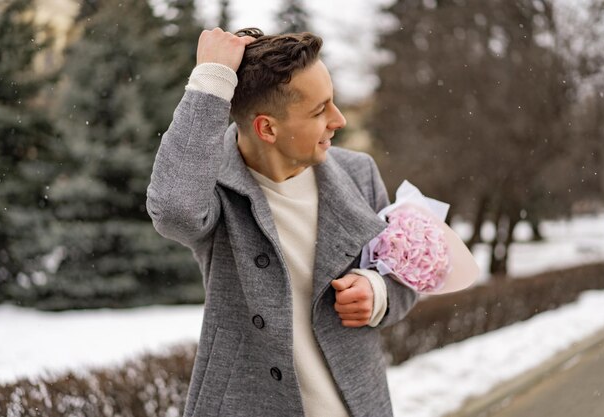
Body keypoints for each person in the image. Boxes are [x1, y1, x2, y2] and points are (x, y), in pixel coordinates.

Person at [146, 27, 417, 417]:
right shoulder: (215, 191)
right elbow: (173, 210)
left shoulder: (359, 174)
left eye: (334, 102)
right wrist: (210, 81)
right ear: (267, 128)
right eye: (319, 110)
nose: (338, 120)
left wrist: (379, 293)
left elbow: (405, 273)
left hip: (359, 405)